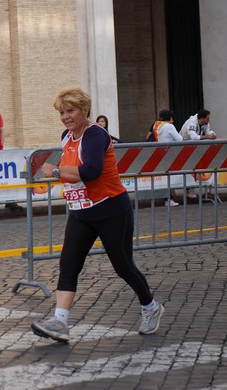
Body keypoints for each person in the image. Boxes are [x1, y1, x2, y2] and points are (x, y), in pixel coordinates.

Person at [31, 87, 164, 342]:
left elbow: (90, 170)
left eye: (70, 111)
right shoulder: (66, 137)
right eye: (61, 112)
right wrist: (64, 173)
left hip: (110, 209)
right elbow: (75, 170)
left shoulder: (94, 135)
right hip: (81, 212)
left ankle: (151, 307)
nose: (65, 117)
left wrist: (56, 172)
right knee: (68, 264)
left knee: (123, 266)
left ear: (84, 110)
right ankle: (60, 321)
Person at [152, 110, 181, 206]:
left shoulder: (158, 126)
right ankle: (169, 199)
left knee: (166, 178)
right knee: (170, 178)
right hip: (170, 154)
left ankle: (168, 199)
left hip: (162, 154)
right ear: (171, 118)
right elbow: (180, 140)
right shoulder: (169, 126)